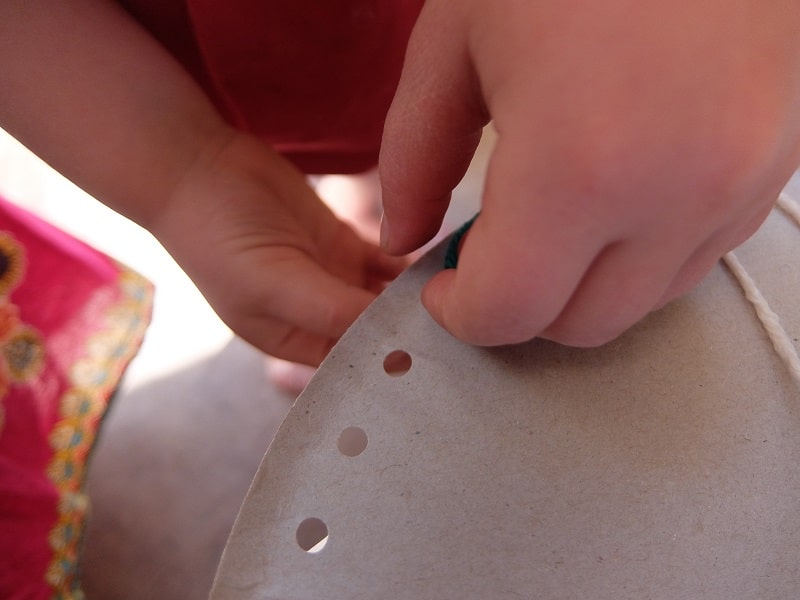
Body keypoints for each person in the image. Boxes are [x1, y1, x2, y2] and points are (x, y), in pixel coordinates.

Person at [1, 1, 799, 375]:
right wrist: (181, 166)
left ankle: (374, 179)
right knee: (352, 128)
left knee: (425, 117)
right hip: (187, 58)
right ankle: (355, 181)